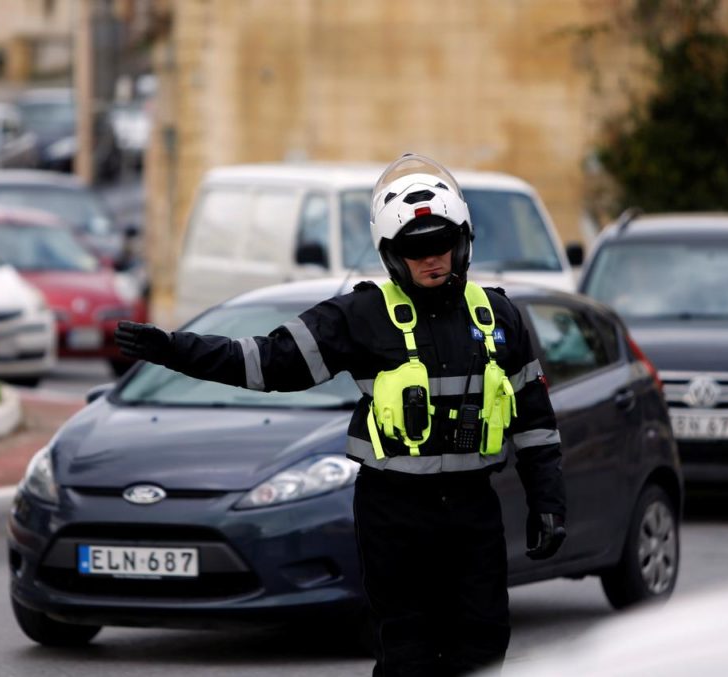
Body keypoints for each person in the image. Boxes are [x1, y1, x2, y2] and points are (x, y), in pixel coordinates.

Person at [115, 154, 566, 676]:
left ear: (462, 240)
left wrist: (547, 504)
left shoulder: (499, 316)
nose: (431, 260)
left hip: (474, 512)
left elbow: (535, 422)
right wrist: (173, 348)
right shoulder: (360, 316)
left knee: (483, 650)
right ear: (391, 255)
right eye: (415, 251)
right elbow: (264, 362)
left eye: (440, 245)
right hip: (395, 514)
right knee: (408, 656)